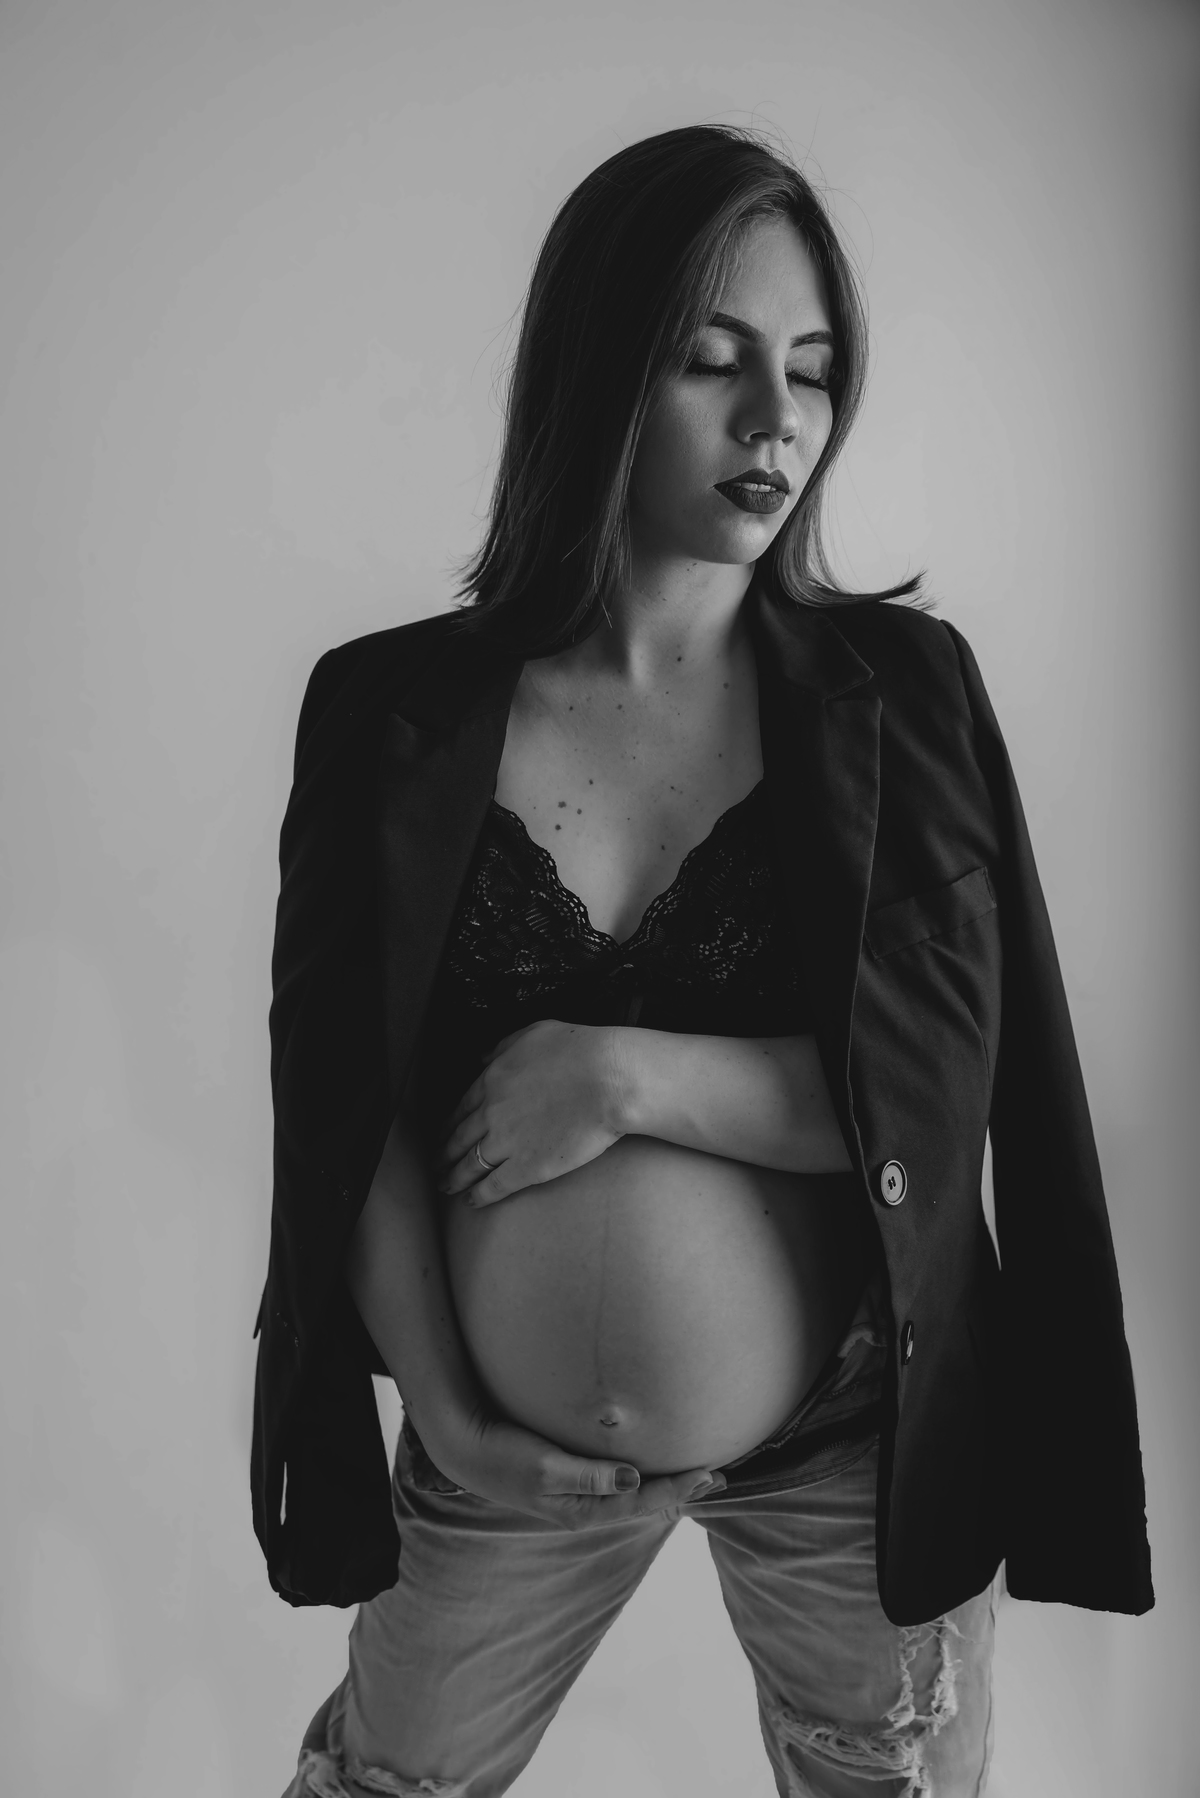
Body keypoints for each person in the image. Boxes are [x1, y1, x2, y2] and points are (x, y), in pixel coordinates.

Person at [255, 125, 1152, 1798]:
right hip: (502, 1446)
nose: (775, 421)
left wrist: (626, 1077)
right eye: (713, 360)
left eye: (811, 371)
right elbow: (338, 1112)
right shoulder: (387, 712)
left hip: (854, 1429)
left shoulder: (903, 698)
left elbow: (937, 1097)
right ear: (599, 369)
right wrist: (449, 1409)